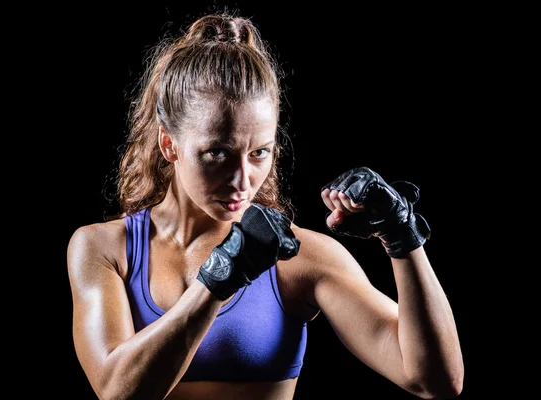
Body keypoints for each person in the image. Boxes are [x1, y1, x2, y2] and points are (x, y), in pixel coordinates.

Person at [66, 11, 464, 400]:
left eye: (259, 152)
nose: (242, 180)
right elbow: (117, 391)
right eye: (218, 153)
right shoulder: (103, 249)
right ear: (169, 144)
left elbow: (435, 379)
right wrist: (220, 279)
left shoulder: (301, 259)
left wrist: (402, 237)